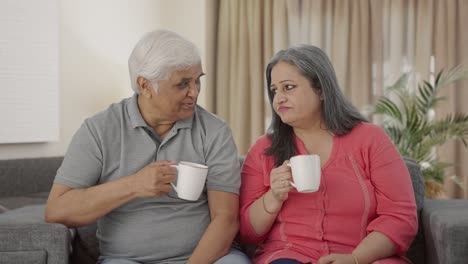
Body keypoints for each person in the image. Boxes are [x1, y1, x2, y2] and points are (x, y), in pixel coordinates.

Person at [46, 29, 250, 264]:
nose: (194, 92)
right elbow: (57, 210)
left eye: (197, 80)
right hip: (127, 260)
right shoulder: (99, 130)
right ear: (145, 86)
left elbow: (226, 219)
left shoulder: (214, 131)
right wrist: (134, 185)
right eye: (183, 84)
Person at [238, 45, 418, 264]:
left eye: (289, 87)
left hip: (365, 257)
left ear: (321, 90)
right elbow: (247, 233)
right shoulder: (263, 150)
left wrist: (355, 259)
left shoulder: (371, 139)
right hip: (288, 255)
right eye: (275, 90)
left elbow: (400, 218)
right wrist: (273, 197)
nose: (279, 99)